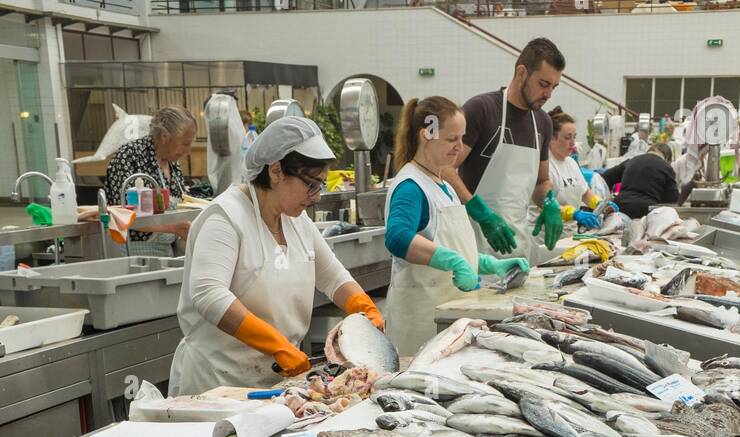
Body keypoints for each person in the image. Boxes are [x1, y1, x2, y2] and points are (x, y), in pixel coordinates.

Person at [169, 115, 383, 396]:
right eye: (311, 184)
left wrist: (365, 309)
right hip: (216, 385)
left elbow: (333, 277)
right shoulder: (225, 218)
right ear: (276, 171)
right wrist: (278, 346)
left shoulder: (297, 221)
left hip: (277, 383)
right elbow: (208, 295)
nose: (317, 196)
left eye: (321, 185)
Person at [384, 96, 527, 358]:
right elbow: (397, 237)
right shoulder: (410, 185)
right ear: (426, 134)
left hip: (448, 319)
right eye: (452, 139)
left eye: (462, 138)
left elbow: (450, 244)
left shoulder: (445, 185)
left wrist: (489, 264)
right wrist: (452, 262)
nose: (459, 148)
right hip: (420, 325)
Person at [444, 36, 567, 264]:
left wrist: (549, 202)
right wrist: (480, 212)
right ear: (522, 73)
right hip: (474, 242)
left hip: (518, 244)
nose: (549, 94)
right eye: (543, 84)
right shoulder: (481, 109)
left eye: (554, 87)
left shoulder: (542, 123)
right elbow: (444, 168)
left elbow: (541, 182)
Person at [104, 105, 195, 256]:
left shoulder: (172, 162)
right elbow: (121, 214)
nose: (188, 151)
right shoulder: (129, 156)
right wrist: (173, 227)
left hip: (165, 252)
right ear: (165, 136)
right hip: (132, 253)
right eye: (185, 144)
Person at [547, 107, 602, 230]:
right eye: (567, 138)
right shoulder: (544, 165)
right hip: (546, 236)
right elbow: (545, 203)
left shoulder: (571, 163)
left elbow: (585, 193)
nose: (573, 143)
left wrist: (599, 204)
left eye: (574, 137)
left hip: (569, 234)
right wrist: (574, 213)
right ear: (551, 138)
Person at [608, 141, 679, 219]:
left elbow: (605, 178)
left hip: (619, 207)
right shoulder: (666, 167)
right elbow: (672, 199)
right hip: (645, 211)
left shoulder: (631, 161)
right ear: (668, 160)